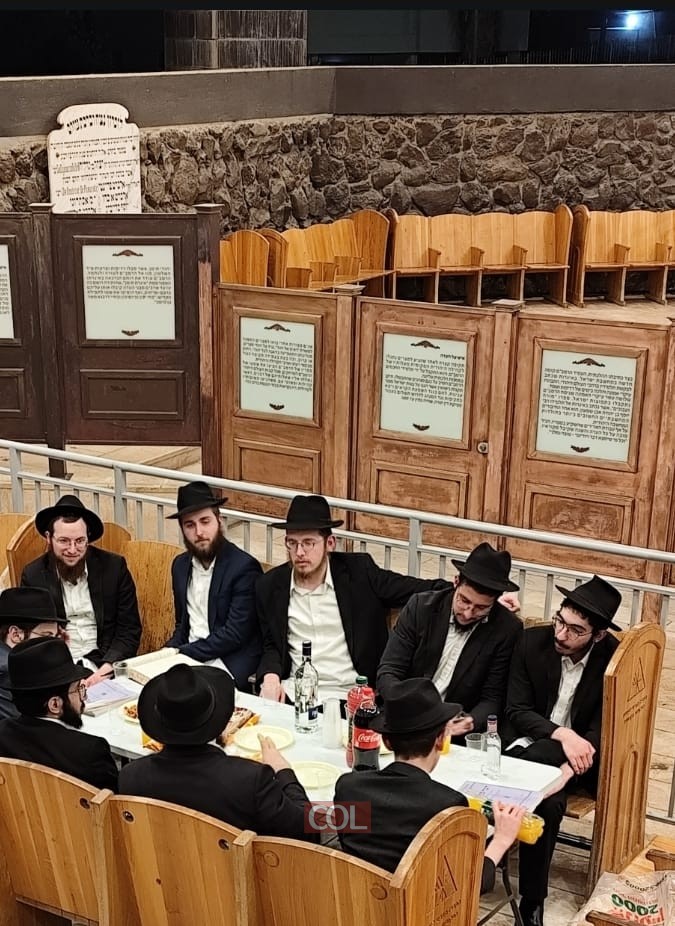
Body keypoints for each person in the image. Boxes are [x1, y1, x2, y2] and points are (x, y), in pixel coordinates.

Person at [502, 575, 622, 926]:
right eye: (559, 621)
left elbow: (602, 728)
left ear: (598, 635)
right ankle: (532, 902)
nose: (561, 634)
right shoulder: (532, 642)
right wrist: (563, 735)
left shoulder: (612, 660)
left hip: (580, 762)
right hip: (530, 745)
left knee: (546, 787)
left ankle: (508, 878)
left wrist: (569, 769)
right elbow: (517, 710)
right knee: (549, 803)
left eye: (575, 630)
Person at [255, 494, 450, 704]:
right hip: (296, 693)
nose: (299, 552)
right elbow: (272, 644)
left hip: (352, 697)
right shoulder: (270, 585)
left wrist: (459, 588)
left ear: (330, 543)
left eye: (308, 543)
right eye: (292, 543)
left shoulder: (359, 573)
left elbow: (418, 589)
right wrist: (270, 676)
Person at [334, 677, 525, 888]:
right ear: (441, 740)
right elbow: (471, 884)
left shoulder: (348, 787)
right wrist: (501, 840)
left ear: (386, 741)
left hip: (358, 901)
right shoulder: (448, 804)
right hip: (417, 906)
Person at [118, 663, 315, 839]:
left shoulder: (131, 777)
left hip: (159, 868)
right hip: (237, 869)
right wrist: (283, 771)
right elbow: (310, 828)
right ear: (221, 720)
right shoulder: (251, 780)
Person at [376, 542, 522, 737]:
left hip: (455, 732)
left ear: (495, 601)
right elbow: (389, 671)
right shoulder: (421, 607)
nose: (468, 613)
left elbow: (493, 698)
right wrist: (408, 709)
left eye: (481, 608)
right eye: (464, 600)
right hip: (404, 718)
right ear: (456, 582)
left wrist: (469, 722)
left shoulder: (507, 629)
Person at [21, 495, 141, 685]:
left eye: (79, 541)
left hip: (105, 665)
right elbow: (32, 637)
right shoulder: (33, 575)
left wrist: (104, 672)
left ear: (88, 539)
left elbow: (129, 630)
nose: (72, 549)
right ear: (48, 538)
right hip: (57, 668)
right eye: (64, 541)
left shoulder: (114, 567)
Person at [165, 481, 263, 690]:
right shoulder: (180, 566)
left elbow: (234, 634)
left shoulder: (243, 567)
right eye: (190, 525)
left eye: (205, 521)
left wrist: (182, 653)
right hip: (189, 659)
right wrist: (166, 653)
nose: (199, 532)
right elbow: (182, 625)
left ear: (219, 520)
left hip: (227, 662)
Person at [0, 636, 118, 791]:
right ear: (55, 704)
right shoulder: (89, 751)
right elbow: (113, 801)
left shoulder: (2, 733)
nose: (84, 697)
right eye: (79, 689)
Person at [0, 587, 68, 720]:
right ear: (16, 634)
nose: (53, 645)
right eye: (46, 636)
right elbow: (29, 724)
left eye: (55, 637)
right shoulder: (10, 673)